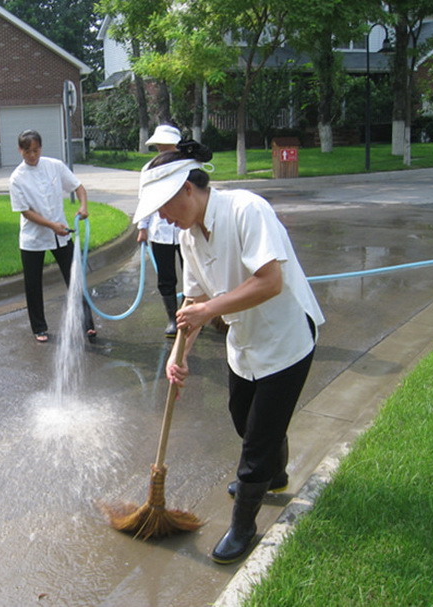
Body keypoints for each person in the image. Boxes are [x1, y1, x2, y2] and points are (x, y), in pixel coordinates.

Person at [133, 141, 325, 564]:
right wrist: (177, 354)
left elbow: (270, 281)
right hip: (245, 343)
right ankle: (274, 468)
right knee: (244, 419)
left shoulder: (246, 210)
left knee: (253, 448)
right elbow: (193, 304)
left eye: (162, 206)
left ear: (187, 189)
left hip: (286, 338)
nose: (162, 217)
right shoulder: (188, 237)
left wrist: (207, 309)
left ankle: (243, 526)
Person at [9, 129, 96, 343]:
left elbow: (78, 187)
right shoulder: (16, 178)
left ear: (41, 148)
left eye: (36, 150)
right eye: (28, 151)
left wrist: (83, 207)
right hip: (33, 238)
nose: (33, 155)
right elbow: (25, 212)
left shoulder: (54, 166)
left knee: (75, 277)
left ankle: (87, 325)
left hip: (62, 234)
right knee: (33, 284)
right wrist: (50, 225)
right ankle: (39, 328)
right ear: (20, 150)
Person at [137, 124, 183, 337]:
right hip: (160, 230)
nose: (164, 149)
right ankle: (173, 318)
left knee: (194, 272)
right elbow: (145, 199)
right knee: (166, 276)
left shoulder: (186, 165)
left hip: (186, 228)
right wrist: (142, 227)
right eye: (161, 146)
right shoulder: (149, 169)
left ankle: (192, 314)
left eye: (168, 145)